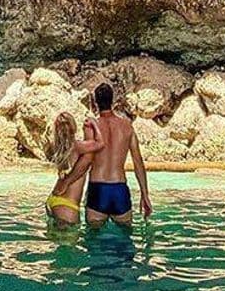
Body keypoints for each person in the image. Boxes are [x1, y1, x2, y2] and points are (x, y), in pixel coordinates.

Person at [55, 81, 152, 227]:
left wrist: (66, 182)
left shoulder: (91, 126)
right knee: (125, 240)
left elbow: (87, 160)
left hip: (98, 189)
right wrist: (145, 195)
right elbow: (138, 163)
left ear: (95, 102)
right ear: (112, 100)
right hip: (119, 189)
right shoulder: (127, 126)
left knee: (93, 241)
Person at [45, 110, 104, 225]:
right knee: (68, 242)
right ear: (74, 129)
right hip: (67, 206)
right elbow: (100, 143)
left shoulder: (55, 147)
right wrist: (95, 125)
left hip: (53, 199)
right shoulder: (78, 146)